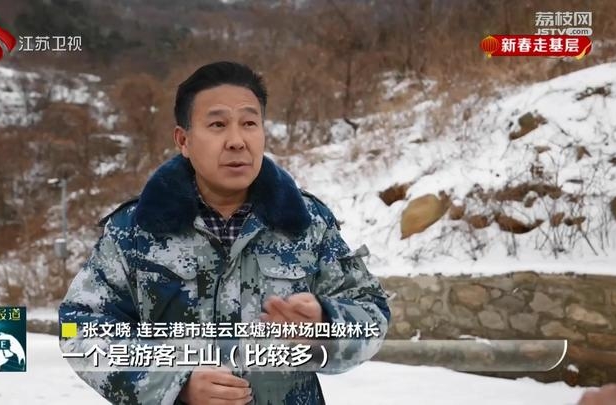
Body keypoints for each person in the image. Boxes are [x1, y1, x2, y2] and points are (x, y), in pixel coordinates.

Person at [59, 61, 391, 405]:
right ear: (183, 140)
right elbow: (77, 327)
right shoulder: (135, 231)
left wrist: (326, 324)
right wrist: (174, 382)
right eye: (217, 125)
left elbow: (371, 312)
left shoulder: (307, 223)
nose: (236, 141)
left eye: (249, 123)